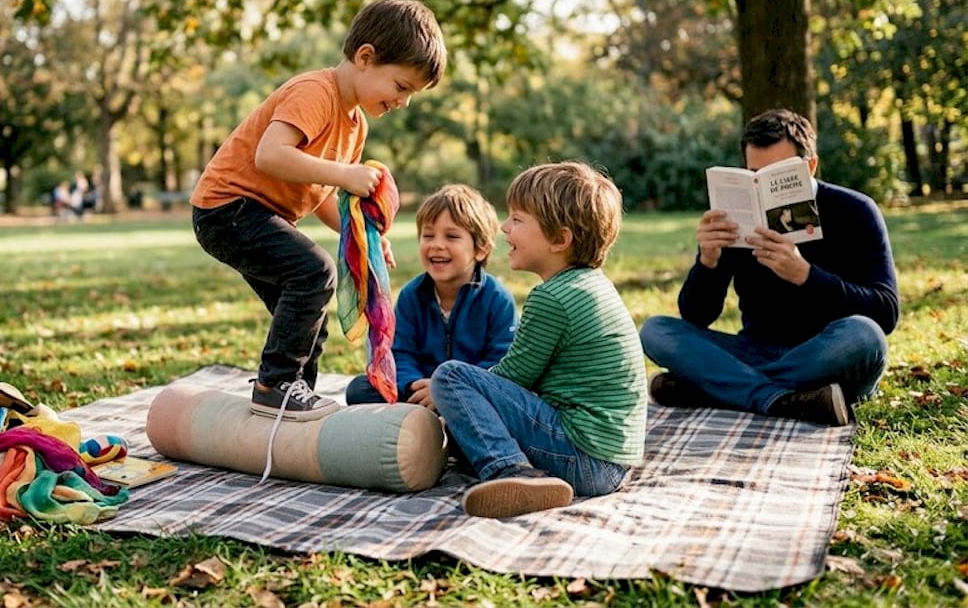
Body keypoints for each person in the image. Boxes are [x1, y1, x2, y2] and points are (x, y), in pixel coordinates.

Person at [191, 0, 447, 421]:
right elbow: (270, 156)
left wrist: (367, 242)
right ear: (366, 57)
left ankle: (295, 400)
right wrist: (346, 175)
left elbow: (321, 192)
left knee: (309, 314)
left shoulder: (355, 123)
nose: (403, 102)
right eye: (401, 87)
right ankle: (275, 386)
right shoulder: (315, 92)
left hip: (254, 215)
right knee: (314, 273)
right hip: (227, 210)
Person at [639, 109, 899, 427]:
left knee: (865, 336)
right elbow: (697, 316)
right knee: (655, 331)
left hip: (827, 355)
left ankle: (719, 388)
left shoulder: (855, 210)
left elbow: (885, 313)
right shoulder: (734, 213)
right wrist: (706, 262)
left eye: (779, 173)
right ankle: (785, 399)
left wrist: (807, 277)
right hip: (755, 349)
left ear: (811, 165)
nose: (764, 188)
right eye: (755, 174)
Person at [430, 162, 647, 518]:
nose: (504, 227)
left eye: (517, 219)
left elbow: (513, 377)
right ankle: (508, 463)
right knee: (463, 425)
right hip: (613, 462)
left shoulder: (553, 298)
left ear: (560, 240)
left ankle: (512, 472)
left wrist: (452, 394)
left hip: (584, 458)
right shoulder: (592, 283)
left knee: (451, 376)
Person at [344, 184, 516, 410]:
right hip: (419, 388)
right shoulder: (411, 296)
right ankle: (424, 418)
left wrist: (449, 390)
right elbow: (400, 352)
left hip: (470, 393)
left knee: (509, 396)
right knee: (359, 388)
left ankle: (443, 419)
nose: (437, 245)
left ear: (481, 249)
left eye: (452, 236)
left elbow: (501, 362)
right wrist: (415, 385)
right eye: (428, 235)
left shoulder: (497, 299)